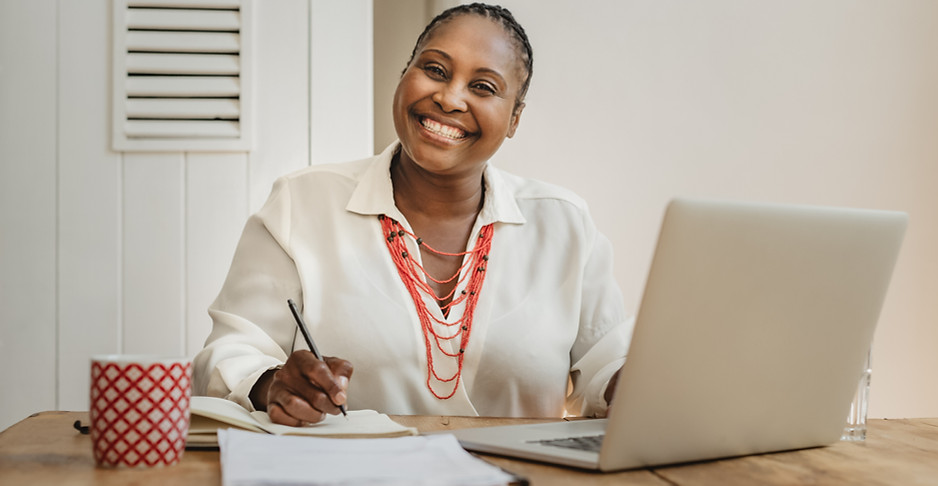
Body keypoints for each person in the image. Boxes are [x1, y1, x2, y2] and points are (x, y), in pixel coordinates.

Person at [193, 3, 631, 426]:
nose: (449, 97)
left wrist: (627, 385)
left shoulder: (564, 224)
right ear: (405, 76)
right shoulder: (301, 203)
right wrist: (272, 384)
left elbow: (610, 362)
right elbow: (230, 354)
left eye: (483, 87)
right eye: (435, 70)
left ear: (515, 118)